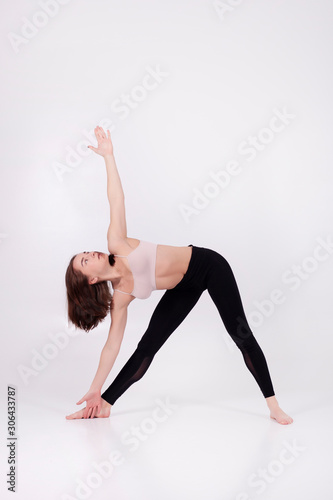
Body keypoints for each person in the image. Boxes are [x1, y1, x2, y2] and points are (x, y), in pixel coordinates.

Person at [65, 126, 293, 425]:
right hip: (183, 287)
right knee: (147, 348)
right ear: (91, 280)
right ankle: (106, 403)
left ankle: (273, 405)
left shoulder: (117, 244)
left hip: (207, 265)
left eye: (85, 253)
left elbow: (116, 199)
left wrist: (108, 156)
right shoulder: (120, 298)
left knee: (240, 334)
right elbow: (111, 346)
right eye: (85, 261)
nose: (90, 254)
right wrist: (94, 389)